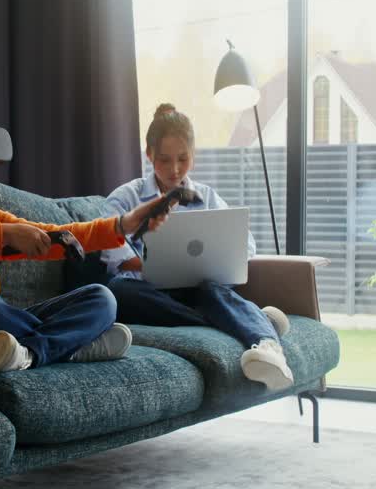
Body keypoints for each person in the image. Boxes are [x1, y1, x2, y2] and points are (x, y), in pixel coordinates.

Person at [0, 112, 169, 373]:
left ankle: (31, 353)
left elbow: (57, 236)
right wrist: (5, 234)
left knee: (102, 297)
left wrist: (122, 225)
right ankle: (73, 345)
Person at [100, 104, 295, 390]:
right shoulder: (125, 199)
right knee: (118, 290)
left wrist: (216, 259)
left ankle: (268, 347)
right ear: (149, 155)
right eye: (164, 160)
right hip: (149, 293)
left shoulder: (207, 197)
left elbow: (246, 243)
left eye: (183, 159)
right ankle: (253, 319)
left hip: (201, 290)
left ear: (194, 156)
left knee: (210, 289)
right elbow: (114, 255)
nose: (174, 169)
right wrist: (159, 265)